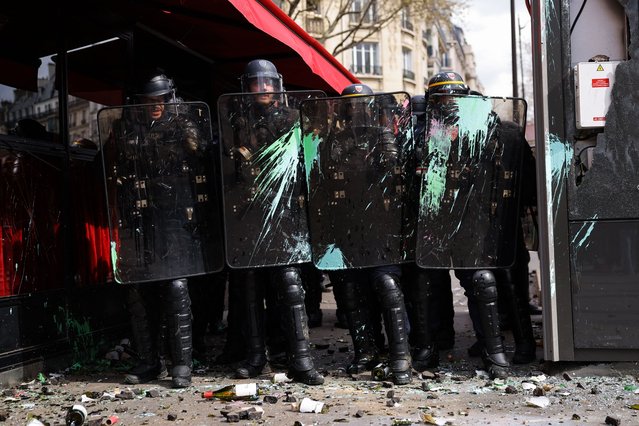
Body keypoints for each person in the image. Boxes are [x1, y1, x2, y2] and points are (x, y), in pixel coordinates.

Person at [105, 72, 210, 388]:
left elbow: (201, 152)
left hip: (176, 218)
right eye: (150, 101)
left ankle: (182, 364)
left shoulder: (182, 124)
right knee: (139, 290)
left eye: (161, 100)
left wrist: (186, 127)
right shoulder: (129, 129)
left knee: (176, 287)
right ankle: (149, 361)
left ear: (170, 99)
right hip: (140, 220)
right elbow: (114, 165)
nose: (156, 106)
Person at [226, 59, 324, 385]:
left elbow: (307, 163)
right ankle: (256, 358)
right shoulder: (236, 121)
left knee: (290, 283)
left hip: (285, 215)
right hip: (251, 216)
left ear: (277, 85)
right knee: (250, 287)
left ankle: (301, 359)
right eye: (257, 83)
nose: (263, 88)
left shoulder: (292, 119)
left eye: (268, 83)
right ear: (248, 87)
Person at [324, 84, 411, 385]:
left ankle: (401, 354)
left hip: (381, 226)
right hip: (348, 226)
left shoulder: (383, 137)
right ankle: (366, 351)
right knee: (352, 292)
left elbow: (393, 173)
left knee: (387, 286)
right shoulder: (334, 141)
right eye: (352, 106)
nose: (357, 111)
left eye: (362, 105)